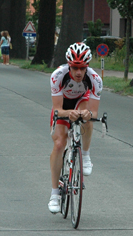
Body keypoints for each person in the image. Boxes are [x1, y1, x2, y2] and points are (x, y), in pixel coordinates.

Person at [47, 42, 103, 214]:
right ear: (69, 65)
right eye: (75, 68)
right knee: (59, 144)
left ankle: (85, 155)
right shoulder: (58, 76)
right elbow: (57, 109)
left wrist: (86, 115)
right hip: (64, 104)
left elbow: (93, 112)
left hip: (82, 101)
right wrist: (68, 113)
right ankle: (54, 194)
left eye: (82, 68)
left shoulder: (95, 80)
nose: (79, 72)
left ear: (87, 66)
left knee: (87, 118)